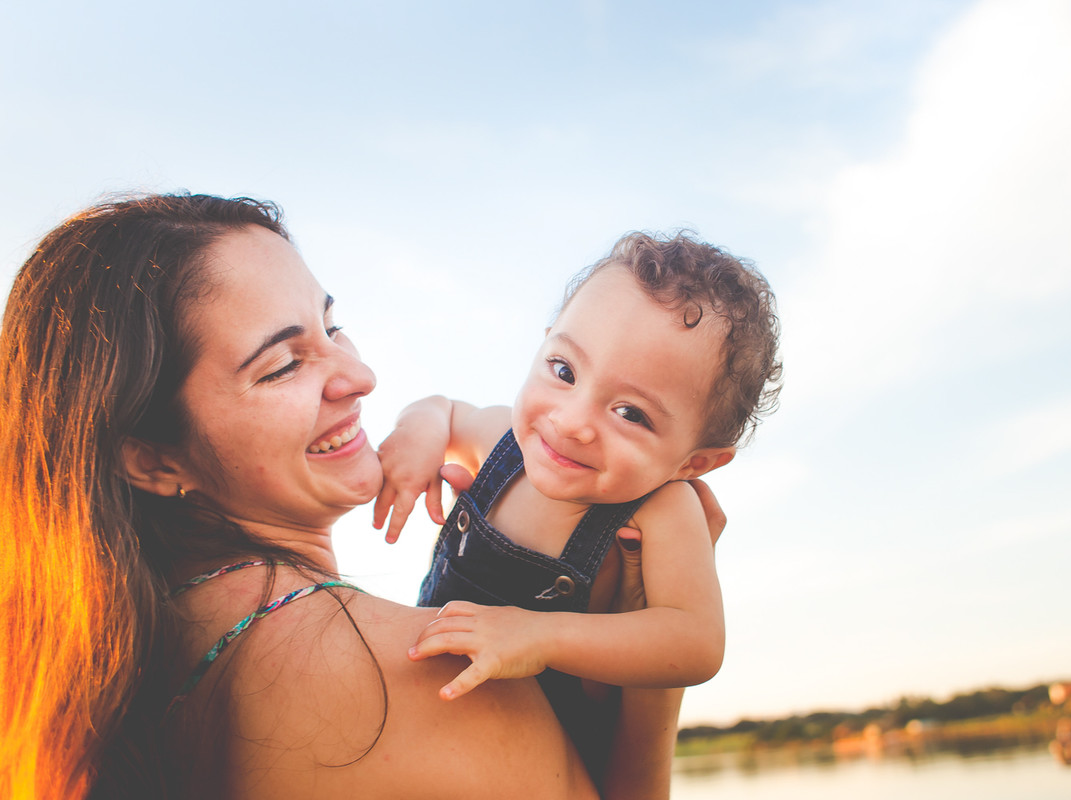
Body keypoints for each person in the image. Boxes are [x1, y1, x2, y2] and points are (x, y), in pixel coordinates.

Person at [0, 193, 720, 800]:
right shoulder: (423, 674)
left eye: (332, 325)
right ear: (152, 458)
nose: (361, 374)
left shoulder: (109, 667)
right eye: (283, 366)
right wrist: (650, 695)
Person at [372, 231, 782, 775]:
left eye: (631, 414)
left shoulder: (661, 510)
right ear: (544, 345)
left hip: (550, 765)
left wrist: (538, 635)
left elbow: (696, 641)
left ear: (694, 463)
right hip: (420, 733)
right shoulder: (502, 442)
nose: (571, 422)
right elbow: (443, 409)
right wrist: (417, 430)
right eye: (563, 371)